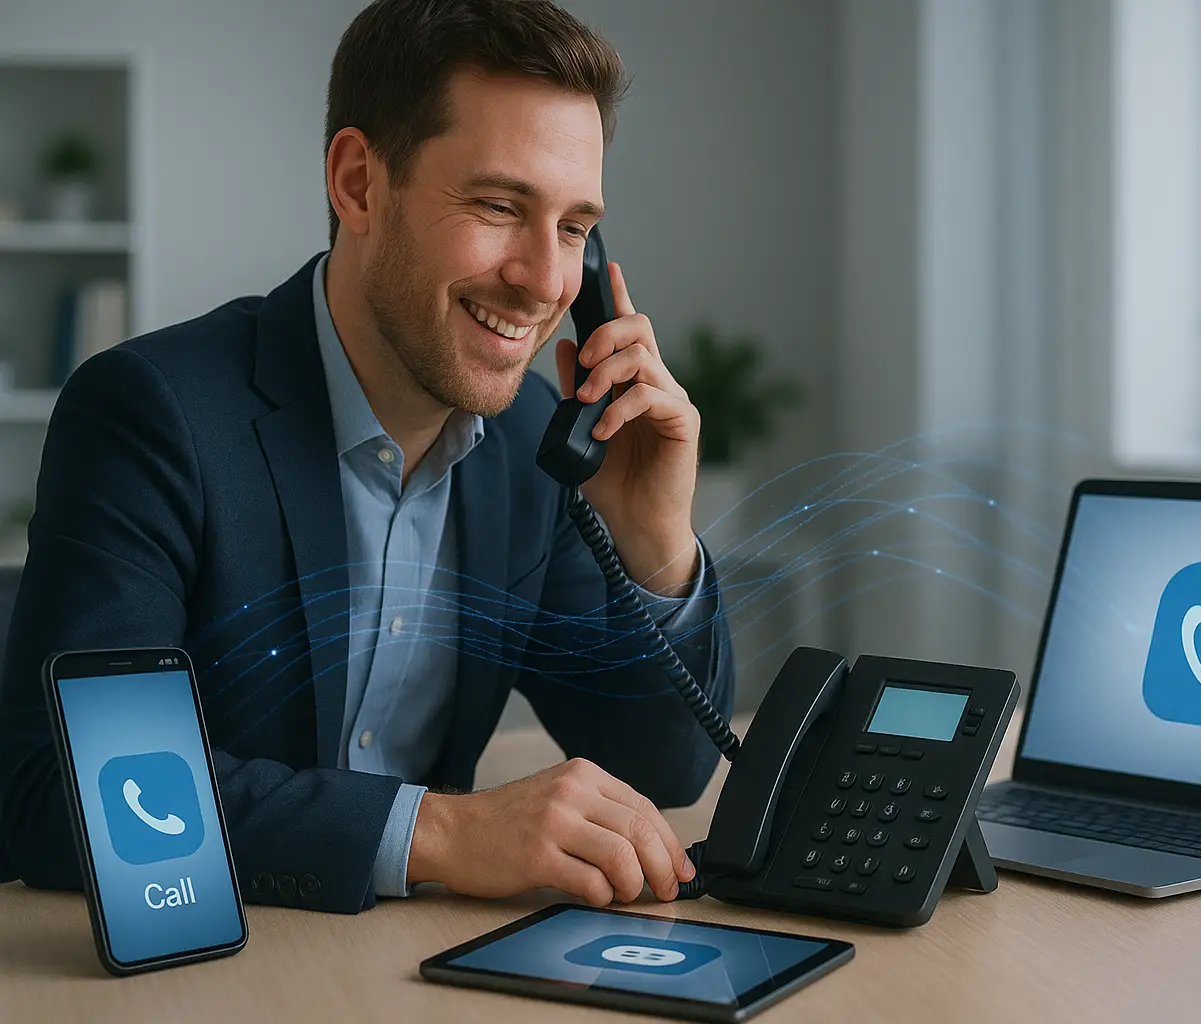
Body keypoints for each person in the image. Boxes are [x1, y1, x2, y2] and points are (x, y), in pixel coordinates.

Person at [0, 0, 733, 914]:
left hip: (409, 968)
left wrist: (657, 543)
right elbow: (55, 787)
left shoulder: (527, 447)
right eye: (499, 206)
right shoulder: (153, 416)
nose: (548, 280)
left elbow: (663, 766)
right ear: (357, 184)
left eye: (576, 227)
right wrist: (442, 834)